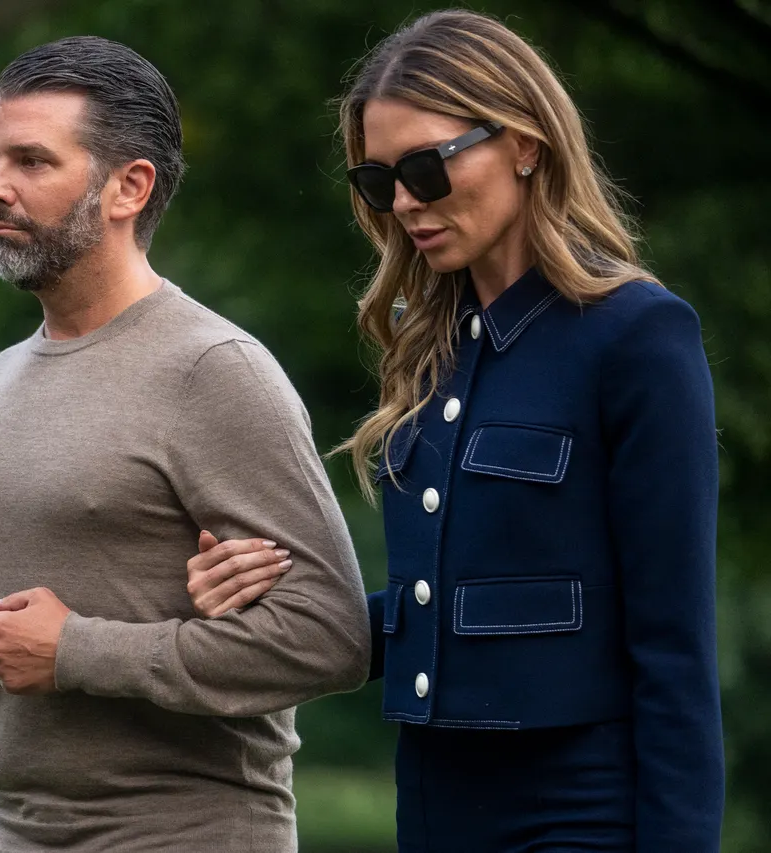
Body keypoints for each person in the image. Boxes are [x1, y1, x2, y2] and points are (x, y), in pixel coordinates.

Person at [186, 9, 724, 853]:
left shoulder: (636, 335)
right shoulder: (431, 349)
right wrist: (278, 592)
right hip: (434, 802)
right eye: (377, 181)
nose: (403, 203)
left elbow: (675, 645)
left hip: (582, 811)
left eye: (426, 169)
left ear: (523, 144)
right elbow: (435, 604)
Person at [0, 36, 371, 853]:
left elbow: (329, 635)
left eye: (31, 161)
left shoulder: (213, 371)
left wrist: (78, 650)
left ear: (129, 186)